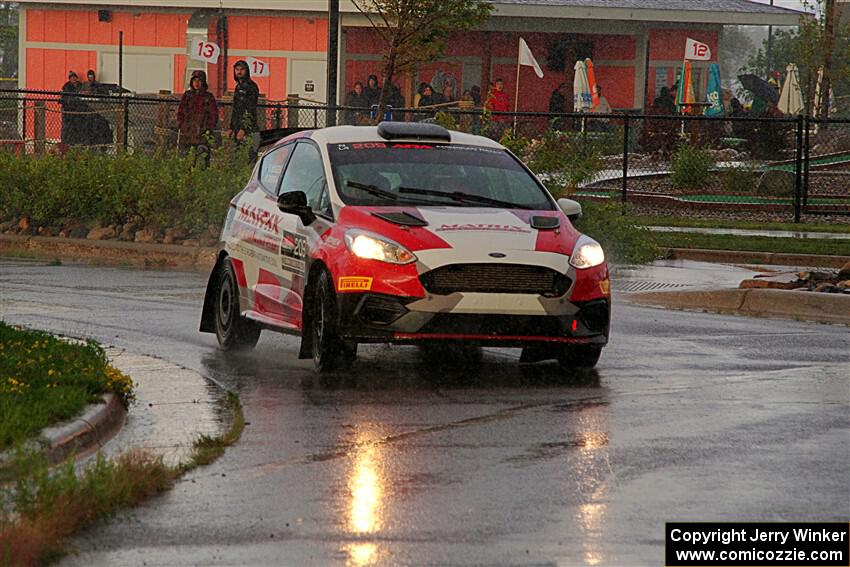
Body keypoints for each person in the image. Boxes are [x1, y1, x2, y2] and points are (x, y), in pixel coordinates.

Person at [177, 70, 219, 167]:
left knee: (202, 161)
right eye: (194, 80)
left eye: (199, 80)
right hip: (188, 134)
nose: (197, 83)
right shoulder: (187, 96)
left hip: (203, 135)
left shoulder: (208, 97)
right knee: (186, 161)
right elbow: (180, 113)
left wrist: (207, 129)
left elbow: (213, 115)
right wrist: (183, 126)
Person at [230, 60, 259, 151]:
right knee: (237, 154)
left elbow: (250, 109)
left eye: (242, 69)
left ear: (247, 71)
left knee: (248, 153)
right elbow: (235, 109)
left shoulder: (251, 86)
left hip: (248, 128)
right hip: (237, 126)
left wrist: (243, 128)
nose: (239, 72)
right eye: (237, 69)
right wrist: (231, 127)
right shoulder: (238, 87)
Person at [60, 71, 86, 146]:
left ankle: (76, 141)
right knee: (66, 126)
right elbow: (64, 98)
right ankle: (65, 142)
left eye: (74, 77)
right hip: (68, 109)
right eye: (72, 78)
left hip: (78, 109)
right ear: (69, 79)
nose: (73, 79)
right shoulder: (66, 86)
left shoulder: (80, 85)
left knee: (77, 126)